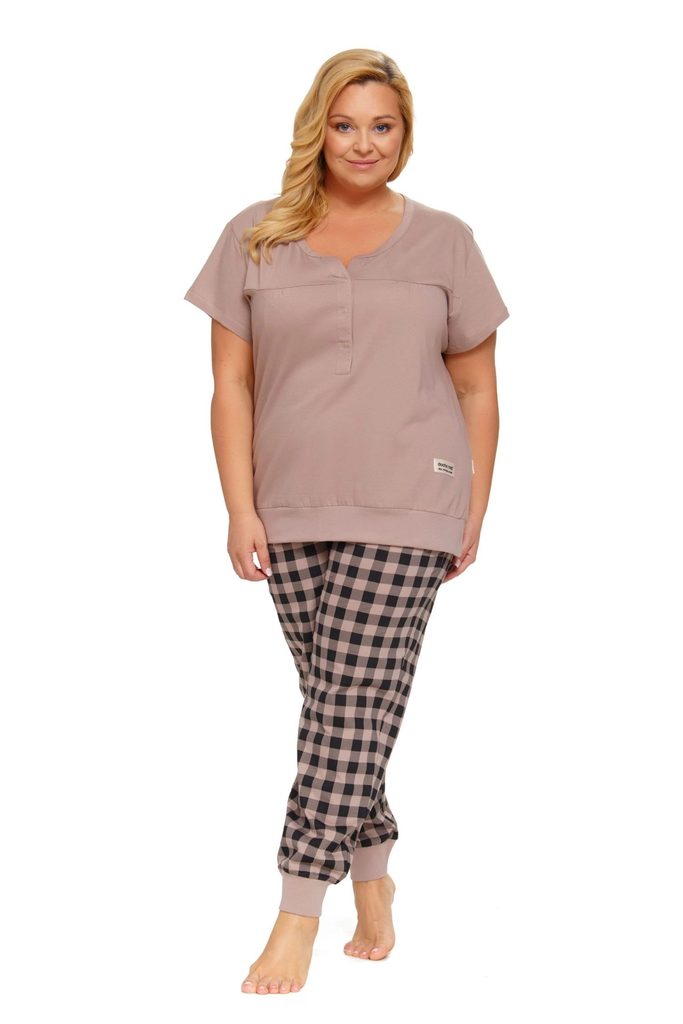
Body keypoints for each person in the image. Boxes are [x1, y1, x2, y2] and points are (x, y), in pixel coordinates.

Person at [183, 48, 510, 995]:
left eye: (382, 126)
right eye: (345, 124)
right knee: (342, 702)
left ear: (404, 135)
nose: (364, 143)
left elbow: (477, 388)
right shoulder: (253, 236)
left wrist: (472, 504)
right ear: (316, 130)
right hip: (289, 503)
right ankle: (374, 874)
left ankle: (296, 911)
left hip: (413, 496)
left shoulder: (446, 240)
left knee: (346, 700)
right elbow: (231, 385)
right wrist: (238, 505)